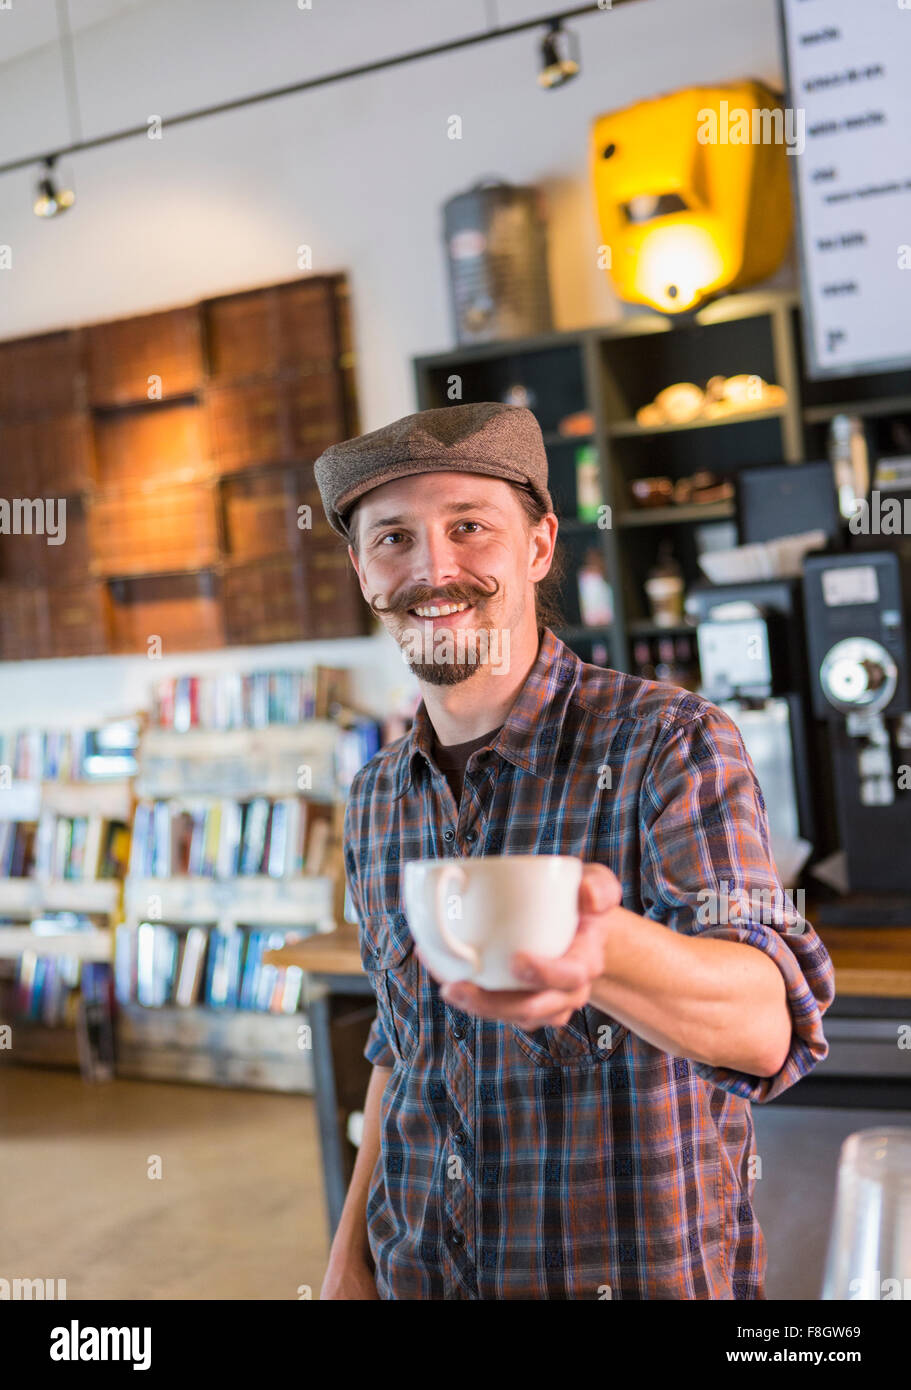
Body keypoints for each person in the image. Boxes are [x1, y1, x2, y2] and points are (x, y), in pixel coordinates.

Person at [313, 401, 835, 1300]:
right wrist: (348, 1258)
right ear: (363, 570)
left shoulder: (667, 742)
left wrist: (599, 949)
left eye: (468, 526)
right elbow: (401, 1048)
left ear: (539, 545)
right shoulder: (374, 799)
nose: (433, 568)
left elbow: (763, 1027)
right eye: (393, 538)